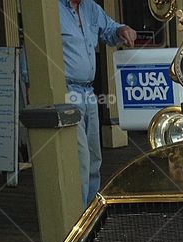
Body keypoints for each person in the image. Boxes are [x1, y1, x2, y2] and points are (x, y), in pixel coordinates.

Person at [59, 0, 137, 208]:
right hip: (66, 91)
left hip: (89, 91)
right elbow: (34, 47)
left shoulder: (90, 7)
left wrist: (123, 29)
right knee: (80, 158)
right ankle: (79, 215)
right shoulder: (51, 8)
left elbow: (110, 30)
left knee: (94, 158)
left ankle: (90, 210)